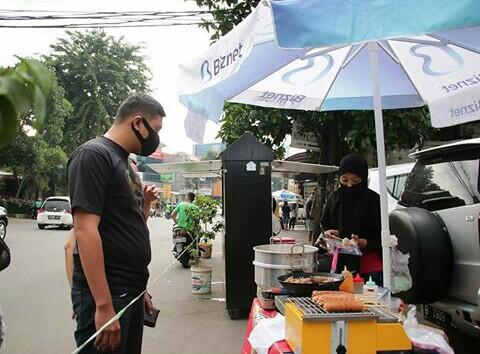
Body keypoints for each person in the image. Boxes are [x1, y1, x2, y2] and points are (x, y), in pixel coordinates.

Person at [67, 93, 164, 354]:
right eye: (155, 129)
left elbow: (128, 226)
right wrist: (103, 306)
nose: (156, 138)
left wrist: (138, 287)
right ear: (137, 123)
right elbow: (85, 230)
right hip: (110, 293)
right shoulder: (93, 155)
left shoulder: (126, 163)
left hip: (130, 290)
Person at [319, 154, 383, 284]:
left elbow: (382, 235)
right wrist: (331, 232)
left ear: (363, 179)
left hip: (368, 268)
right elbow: (325, 225)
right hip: (339, 265)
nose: (349, 185)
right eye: (344, 180)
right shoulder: (334, 198)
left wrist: (362, 242)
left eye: (355, 181)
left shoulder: (374, 200)